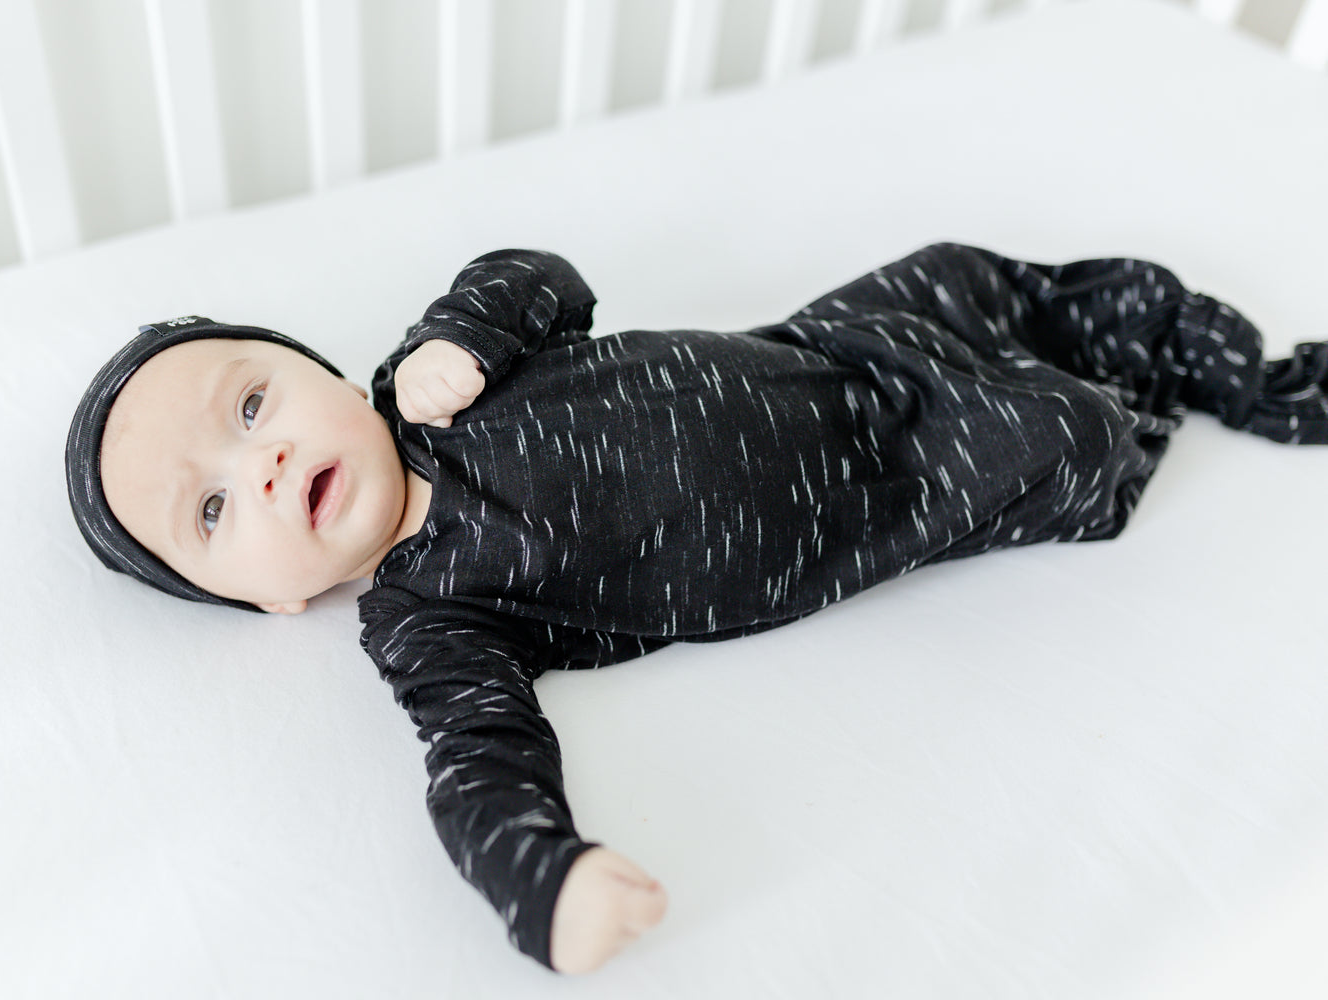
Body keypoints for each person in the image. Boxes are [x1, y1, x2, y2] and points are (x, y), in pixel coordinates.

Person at [65, 242, 1328, 974]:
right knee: (1069, 433)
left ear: (322, 371)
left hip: (829, 345)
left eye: (252, 406)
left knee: (979, 277)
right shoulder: (429, 617)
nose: (264, 464)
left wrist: (464, 334)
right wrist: (541, 881)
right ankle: (1150, 401)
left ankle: (1246, 371)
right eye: (213, 510)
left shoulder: (430, 381)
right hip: (876, 489)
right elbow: (477, 758)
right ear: (273, 602)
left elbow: (545, 278)